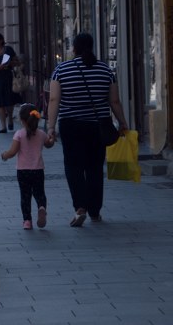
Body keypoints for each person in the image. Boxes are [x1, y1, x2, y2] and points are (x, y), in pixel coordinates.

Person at [47, 32, 129, 226]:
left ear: (73, 48)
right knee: (94, 167)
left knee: (73, 166)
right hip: (97, 125)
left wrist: (51, 126)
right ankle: (94, 211)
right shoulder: (105, 70)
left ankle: (80, 207)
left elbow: (54, 99)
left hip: (70, 125)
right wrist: (123, 122)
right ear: (92, 47)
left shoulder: (61, 70)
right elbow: (114, 101)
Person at [1, 103, 56, 229]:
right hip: (38, 170)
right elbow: (48, 145)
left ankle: (27, 221)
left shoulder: (19, 134)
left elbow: (13, 152)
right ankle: (41, 207)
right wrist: (52, 140)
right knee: (40, 192)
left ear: (22, 120)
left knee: (25, 195)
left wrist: (4, 155)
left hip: (23, 171)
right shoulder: (42, 134)